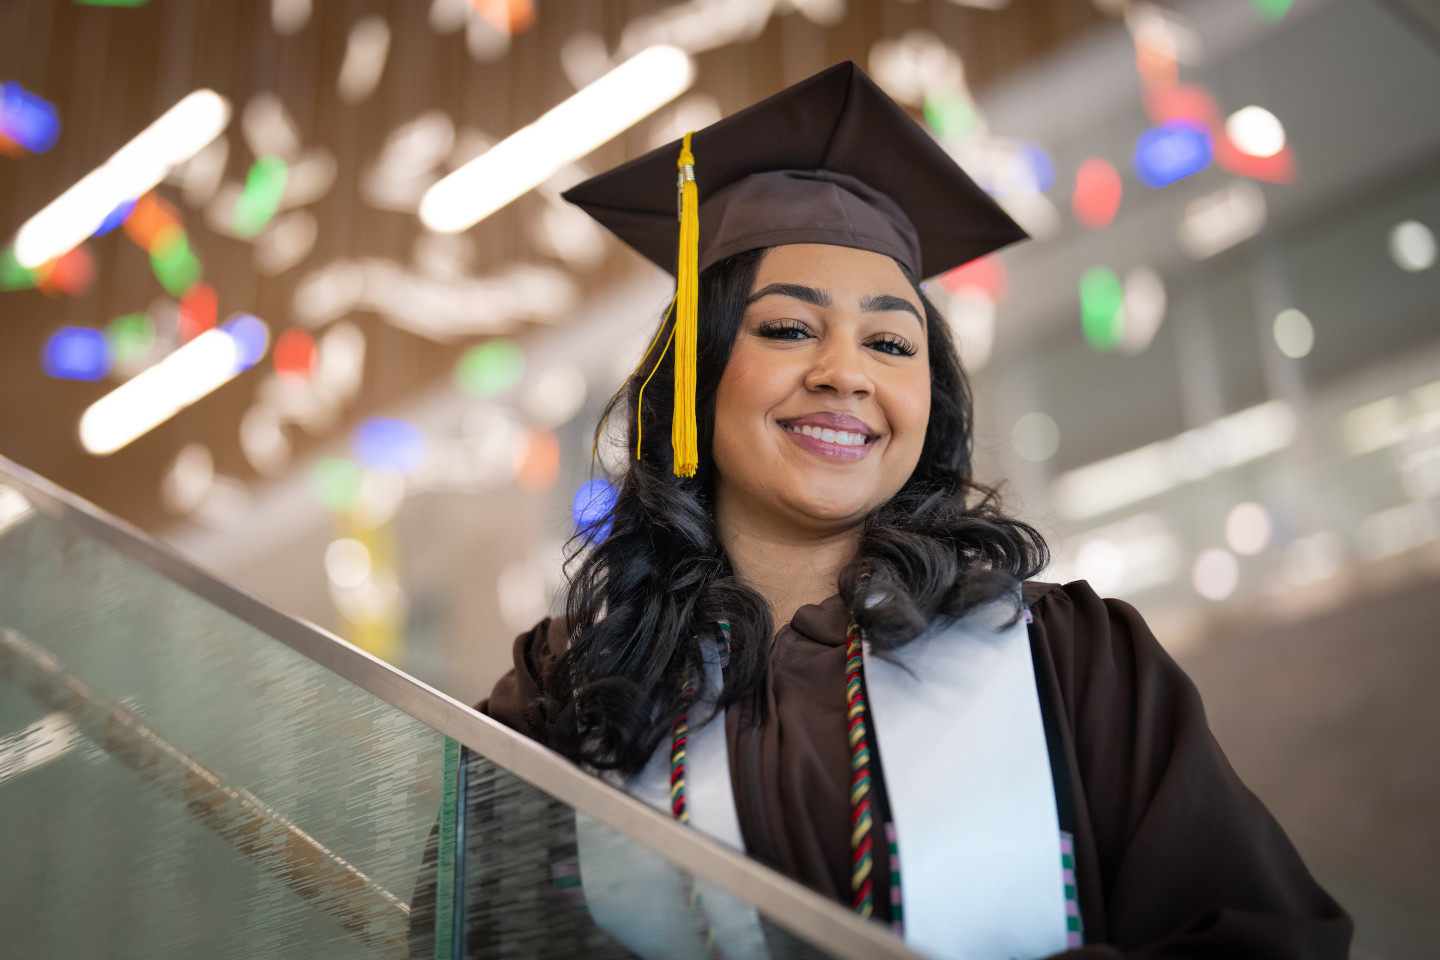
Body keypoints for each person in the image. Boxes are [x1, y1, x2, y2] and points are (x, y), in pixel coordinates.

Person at [478, 62, 1351, 959]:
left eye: (892, 343)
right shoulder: (563, 695)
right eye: (787, 328)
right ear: (695, 375)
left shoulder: (1071, 656)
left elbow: (1268, 940)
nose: (846, 374)